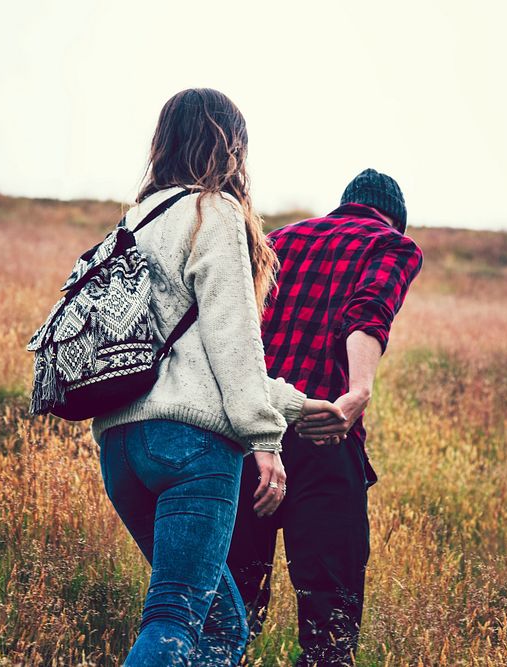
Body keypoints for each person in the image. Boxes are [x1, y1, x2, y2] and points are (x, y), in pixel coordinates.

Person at [90, 88, 344, 666]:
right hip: (191, 451)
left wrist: (300, 406)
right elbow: (233, 346)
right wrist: (266, 442)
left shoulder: (132, 223)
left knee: (224, 623)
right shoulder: (215, 213)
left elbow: (191, 364)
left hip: (121, 447)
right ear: (230, 146)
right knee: (176, 616)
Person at [227, 169, 423, 666]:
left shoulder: (280, 241)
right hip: (323, 437)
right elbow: (369, 310)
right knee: (330, 623)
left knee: (231, 609)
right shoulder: (391, 246)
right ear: (394, 221)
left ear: (344, 204)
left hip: (247, 437)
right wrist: (358, 389)